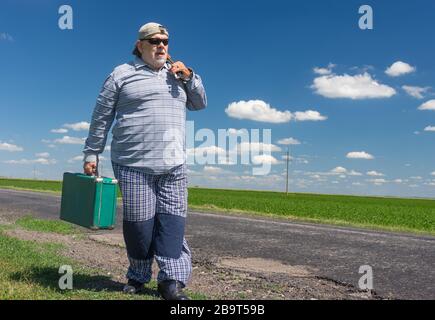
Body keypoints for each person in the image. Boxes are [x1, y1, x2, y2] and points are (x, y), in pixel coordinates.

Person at [82, 22, 207, 300]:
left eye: (165, 41)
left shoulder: (178, 75)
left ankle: (171, 282)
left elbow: (200, 104)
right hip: (132, 163)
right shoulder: (121, 75)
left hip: (173, 164)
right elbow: (101, 116)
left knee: (172, 224)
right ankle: (138, 275)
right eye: (154, 41)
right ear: (140, 45)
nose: (161, 46)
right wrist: (92, 152)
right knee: (140, 226)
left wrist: (189, 77)